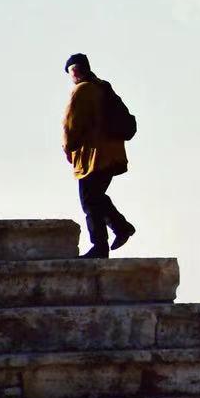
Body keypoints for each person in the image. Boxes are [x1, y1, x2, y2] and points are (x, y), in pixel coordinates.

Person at [62, 53, 136, 258]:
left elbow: (70, 125)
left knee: (89, 200)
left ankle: (101, 245)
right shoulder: (102, 87)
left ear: (74, 71)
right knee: (96, 197)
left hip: (93, 159)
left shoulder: (82, 90)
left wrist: (68, 149)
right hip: (112, 155)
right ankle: (120, 227)